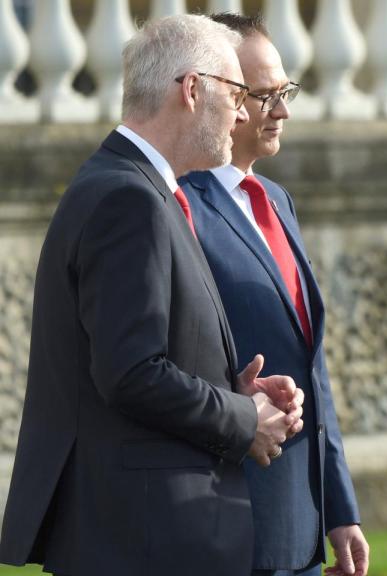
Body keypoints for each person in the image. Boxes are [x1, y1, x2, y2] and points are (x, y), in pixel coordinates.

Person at [0, 14, 303, 576]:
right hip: (141, 540)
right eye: (237, 94)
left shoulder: (137, 187)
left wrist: (233, 388)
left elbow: (141, 355)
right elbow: (132, 373)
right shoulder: (127, 198)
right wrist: (242, 418)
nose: (242, 112)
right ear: (192, 90)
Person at [178, 13, 368, 576]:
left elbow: (312, 366)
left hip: (299, 518)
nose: (282, 111)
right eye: (264, 96)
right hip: (224, 517)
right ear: (220, 97)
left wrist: (339, 508)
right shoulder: (176, 204)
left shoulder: (276, 200)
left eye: (285, 92)